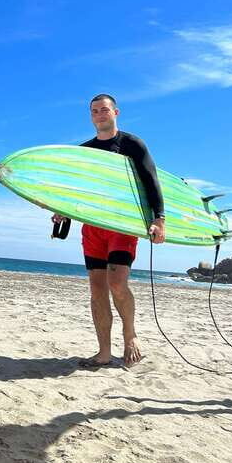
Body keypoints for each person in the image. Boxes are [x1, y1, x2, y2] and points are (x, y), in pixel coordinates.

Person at [52, 94, 165, 367]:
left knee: (117, 283)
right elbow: (77, 190)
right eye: (94, 111)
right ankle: (104, 352)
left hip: (121, 225)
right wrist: (62, 210)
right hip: (93, 227)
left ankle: (130, 334)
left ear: (116, 112)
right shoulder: (85, 151)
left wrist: (159, 219)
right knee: (97, 290)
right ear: (91, 116)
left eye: (104, 110)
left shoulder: (132, 144)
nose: (100, 114)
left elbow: (151, 179)